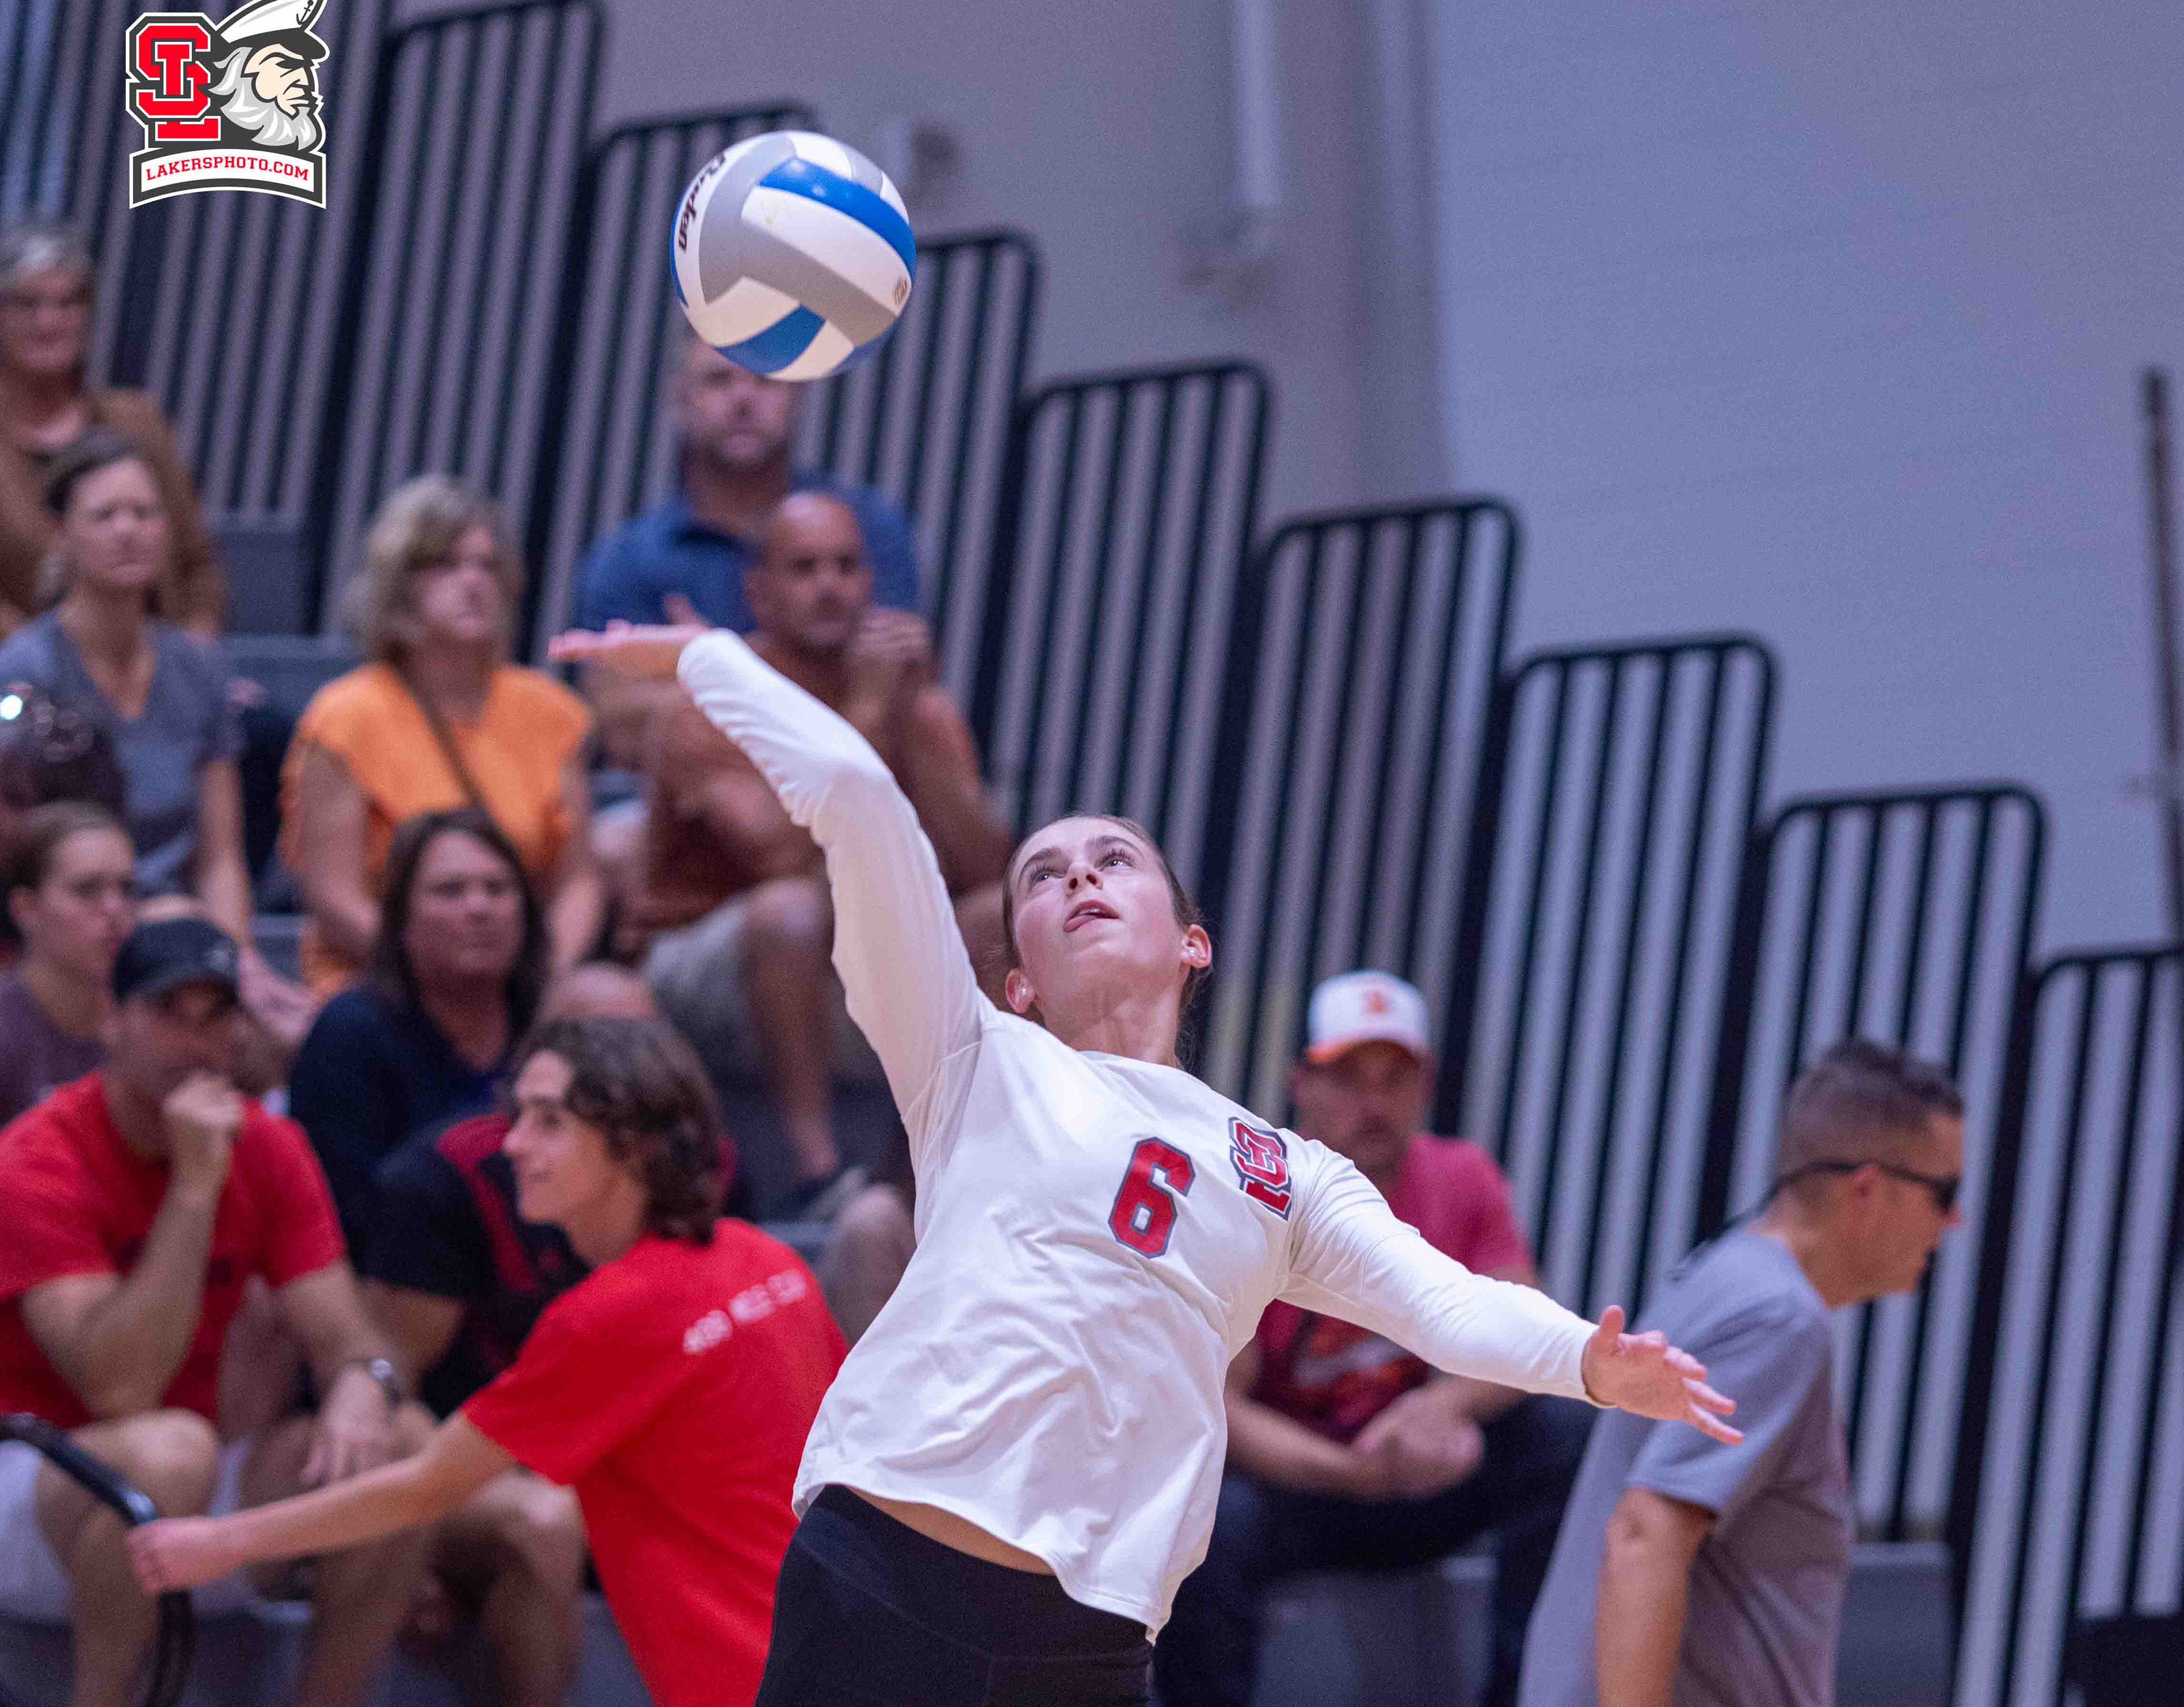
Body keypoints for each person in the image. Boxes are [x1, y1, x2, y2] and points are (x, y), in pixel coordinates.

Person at [551, 619, 1738, 1707]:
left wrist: (1586, 1361)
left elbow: (1446, 1302)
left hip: (1090, 1641)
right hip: (885, 1581)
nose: (1078, 876)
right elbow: (858, 795)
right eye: (1044, 873)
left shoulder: (1284, 1169)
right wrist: (706, 658)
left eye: (1114, 859)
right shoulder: (970, 1055)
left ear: (1192, 941)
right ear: (1017, 977)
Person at [130, 1015, 847, 1707]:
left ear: (631, 1144)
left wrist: (221, 1540)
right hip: (854, 1656)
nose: (514, 1143)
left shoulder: (610, 1316)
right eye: (519, 1115)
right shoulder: (770, 1260)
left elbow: (421, 1487)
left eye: (549, 1121)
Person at [0, 917, 432, 1707]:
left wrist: (364, 1383)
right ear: (110, 1019)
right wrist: (194, 1189)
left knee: (404, 1441)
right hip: (34, 1488)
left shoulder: (269, 1145)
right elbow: (119, 1388)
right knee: (168, 1451)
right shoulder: (38, 1157)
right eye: (169, 1013)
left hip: (195, 1484)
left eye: (216, 1017)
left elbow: (353, 1340)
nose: (195, 1044)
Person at [1157, 970, 1597, 1707]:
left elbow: (1527, 1324)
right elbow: (1222, 1406)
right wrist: (1350, 1472)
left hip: (1431, 1468)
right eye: (1348, 1078)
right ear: (1301, 1083)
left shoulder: (1462, 1175)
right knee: (1210, 1520)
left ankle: (1520, 1693)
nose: (1374, 1102)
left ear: (1425, 1086)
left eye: (1396, 1078)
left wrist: (1441, 1408)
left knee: (1566, 1431)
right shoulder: (1253, 1194)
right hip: (1304, 1485)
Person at [1516, 1038, 1966, 1707]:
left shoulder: (1722, 1274)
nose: (1955, 1219)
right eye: (1944, 1192)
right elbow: (1644, 1535)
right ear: (1868, 1188)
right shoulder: (1778, 1317)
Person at [634, 490, 1010, 1213]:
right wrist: (865, 716)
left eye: (846, 566)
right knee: (791, 912)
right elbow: (784, 859)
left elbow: (986, 869)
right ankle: (816, 1174)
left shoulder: (909, 697)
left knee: (996, 915)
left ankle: (928, 1170)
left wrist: (915, 723)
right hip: (706, 961)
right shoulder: (718, 697)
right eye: (805, 568)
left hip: (850, 956)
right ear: (759, 592)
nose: (830, 586)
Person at [281, 474, 601, 997]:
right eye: (446, 565)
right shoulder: (346, 716)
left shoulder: (551, 712)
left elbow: (579, 883)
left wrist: (542, 977)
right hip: (381, 983)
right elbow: (335, 899)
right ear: (398, 585)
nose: (473, 582)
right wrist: (445, 980)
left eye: (488, 566)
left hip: (519, 988)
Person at [572, 329, 920, 768]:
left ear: (798, 396)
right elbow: (619, 726)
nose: (743, 399)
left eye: (765, 379)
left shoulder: (869, 528)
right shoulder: (625, 560)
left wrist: (707, 671)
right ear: (679, 400)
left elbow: (898, 686)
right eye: (718, 380)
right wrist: (801, 674)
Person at [0, 433, 251, 934]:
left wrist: (233, 955)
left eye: (145, 513)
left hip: (181, 929)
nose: (128, 530)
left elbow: (221, 860)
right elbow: (17, 862)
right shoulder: (22, 670)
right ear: (60, 534)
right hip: (68, 933)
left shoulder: (199, 666)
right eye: (104, 515)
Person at [287, 807, 549, 1270]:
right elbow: (333, 1224)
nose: (479, 908)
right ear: (400, 918)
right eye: (450, 890)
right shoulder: (350, 1034)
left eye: (497, 888)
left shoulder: (550, 1022)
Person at [0, 223, 222, 637]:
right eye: (28, 304)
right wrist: (48, 663)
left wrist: (193, 654)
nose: (48, 321)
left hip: (156, 660)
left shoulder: (139, 421)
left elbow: (198, 565)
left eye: (68, 303)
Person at [0, 801, 134, 1125]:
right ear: (26, 909)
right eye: (87, 890)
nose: (115, 908)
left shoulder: (157, 1017)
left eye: (127, 888)